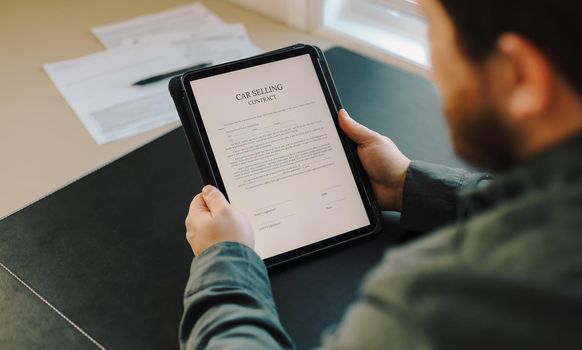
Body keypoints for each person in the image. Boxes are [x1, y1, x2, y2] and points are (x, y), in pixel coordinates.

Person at [179, 0, 582, 348]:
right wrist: (407, 185)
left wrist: (224, 264)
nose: (434, 69)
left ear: (521, 74)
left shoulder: (440, 302)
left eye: (433, 34)